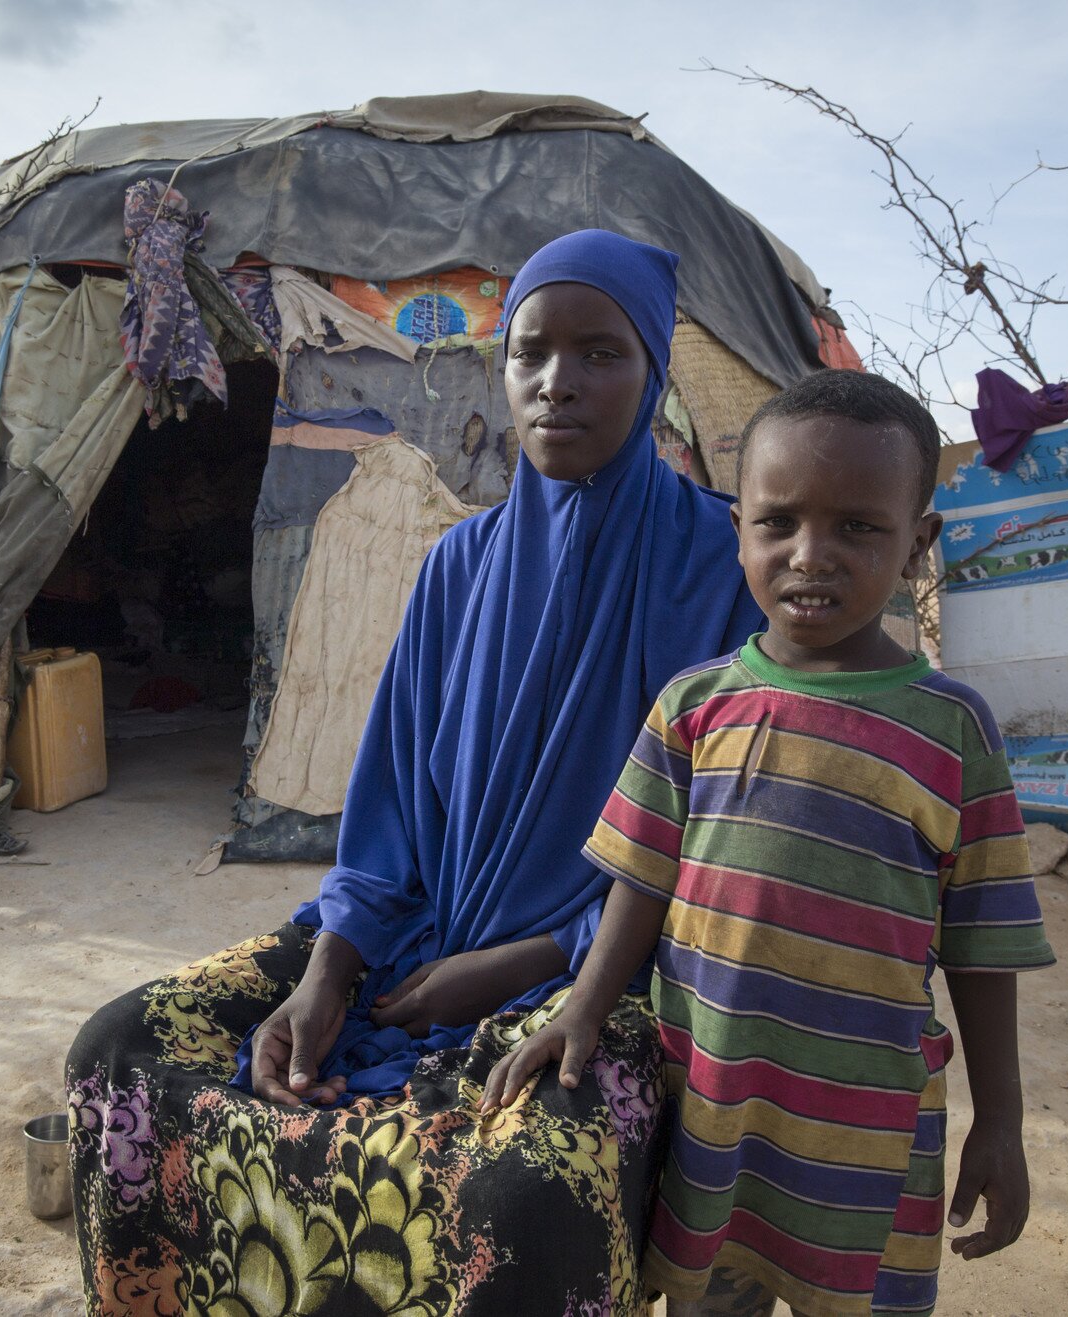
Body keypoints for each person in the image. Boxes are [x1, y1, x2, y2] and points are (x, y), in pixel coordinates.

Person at [64, 230, 765, 1314]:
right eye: (531, 352)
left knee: (532, 1188)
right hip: (415, 931)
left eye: (599, 353)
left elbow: (719, 859)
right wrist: (328, 973)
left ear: (652, 370)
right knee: (119, 1049)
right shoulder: (458, 567)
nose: (556, 384)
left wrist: (509, 968)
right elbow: (387, 813)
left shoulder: (723, 571)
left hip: (606, 966)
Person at [485, 369, 1057, 1317]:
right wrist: (581, 1009)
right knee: (713, 1297)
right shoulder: (695, 706)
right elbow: (641, 877)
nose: (810, 555)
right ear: (740, 530)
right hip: (714, 1107)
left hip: (867, 1132)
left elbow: (983, 943)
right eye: (778, 522)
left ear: (918, 543)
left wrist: (1001, 1119)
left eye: (859, 528)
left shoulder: (955, 731)